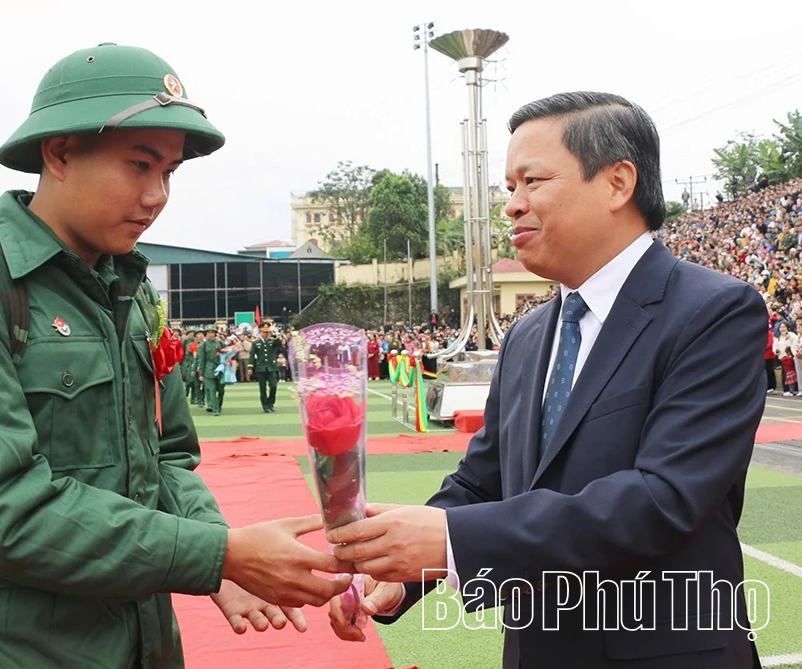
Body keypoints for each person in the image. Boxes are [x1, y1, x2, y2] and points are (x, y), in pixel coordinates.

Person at [0, 43, 352, 669]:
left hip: (140, 637)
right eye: (139, 163)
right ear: (59, 153)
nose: (157, 195)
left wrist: (216, 552)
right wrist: (219, 555)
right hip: (2, 646)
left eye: (170, 172)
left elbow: (169, 457)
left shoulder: (131, 294)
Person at [327, 92, 766, 669]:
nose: (512, 205)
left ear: (617, 183)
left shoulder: (713, 311)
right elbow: (482, 483)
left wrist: (450, 539)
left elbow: (663, 499)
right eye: (509, 187)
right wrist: (404, 570)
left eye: (532, 181)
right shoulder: (528, 335)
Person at [248, 321, 282, 413]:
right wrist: (250, 367)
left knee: (273, 386)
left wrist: (274, 334)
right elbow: (251, 355)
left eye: (267, 332)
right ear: (260, 332)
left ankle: (271, 402)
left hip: (271, 367)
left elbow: (280, 346)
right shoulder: (255, 343)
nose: (266, 334)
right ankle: (265, 405)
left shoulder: (272, 341)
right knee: (262, 388)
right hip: (261, 368)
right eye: (264, 332)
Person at [198, 324, 223, 415]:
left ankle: (218, 405)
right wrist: (201, 374)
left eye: (212, 332)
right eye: (208, 332)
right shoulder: (203, 345)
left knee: (221, 390)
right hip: (208, 370)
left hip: (220, 369)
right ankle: (215, 409)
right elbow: (201, 360)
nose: (210, 334)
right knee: (211, 389)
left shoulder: (220, 343)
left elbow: (225, 353)